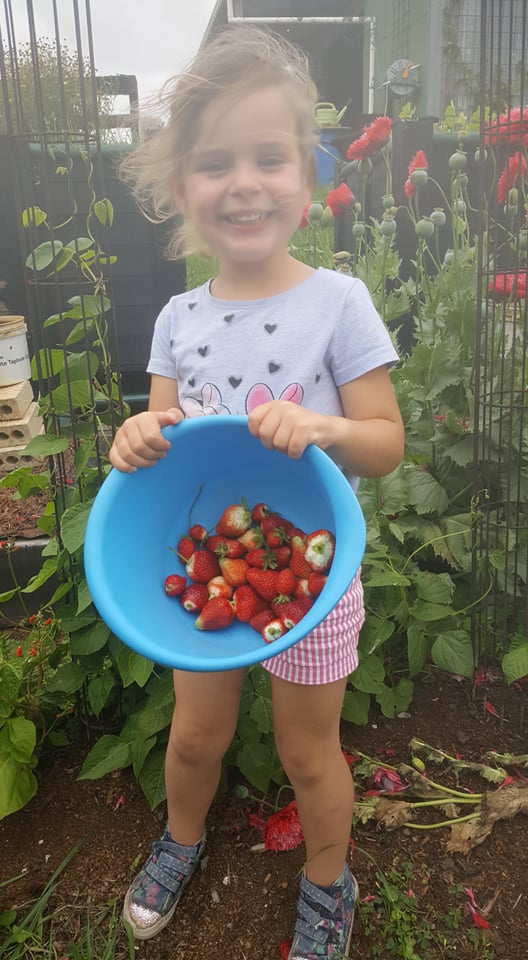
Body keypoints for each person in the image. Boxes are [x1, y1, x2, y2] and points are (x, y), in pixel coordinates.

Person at [110, 23, 404, 960]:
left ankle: (329, 877)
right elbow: (160, 449)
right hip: (216, 567)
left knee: (307, 752)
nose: (243, 183)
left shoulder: (339, 302)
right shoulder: (176, 318)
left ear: (307, 180)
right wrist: (130, 437)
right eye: (214, 163)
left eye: (269, 158)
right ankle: (181, 839)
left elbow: (388, 444)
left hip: (316, 575)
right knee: (195, 740)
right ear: (182, 192)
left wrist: (323, 428)